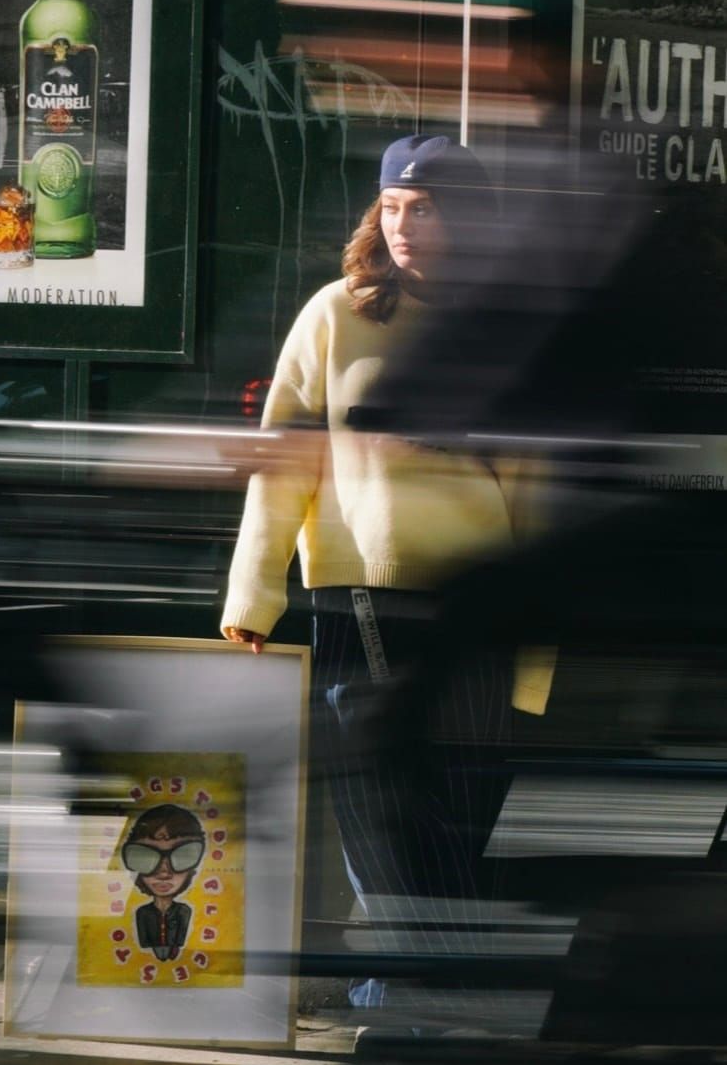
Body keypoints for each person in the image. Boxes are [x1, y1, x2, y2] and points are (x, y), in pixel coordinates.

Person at [221, 133, 554, 1018]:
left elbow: (537, 493)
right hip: (360, 589)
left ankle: (418, 985)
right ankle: (426, 989)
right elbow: (282, 462)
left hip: (478, 599)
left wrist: (534, 657)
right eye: (392, 209)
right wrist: (253, 595)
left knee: (463, 801)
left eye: (426, 208)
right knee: (375, 792)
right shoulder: (337, 313)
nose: (403, 226)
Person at [121, 804, 207, 962]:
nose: (164, 872)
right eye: (146, 856)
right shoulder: (142, 913)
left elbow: (181, 940)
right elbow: (144, 943)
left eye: (183, 855)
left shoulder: (184, 911)